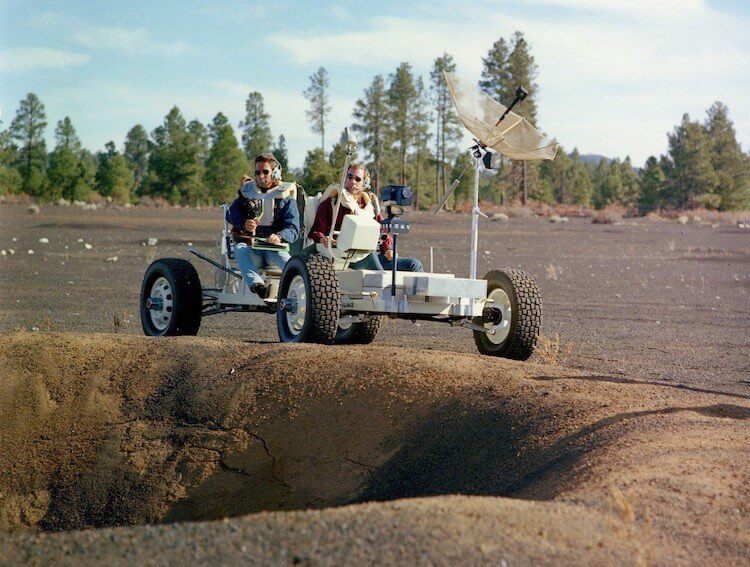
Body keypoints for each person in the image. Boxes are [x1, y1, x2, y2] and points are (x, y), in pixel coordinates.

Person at [226, 153, 300, 297]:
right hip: (252, 249)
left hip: (275, 250)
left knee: (290, 264)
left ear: (275, 173)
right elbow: (230, 214)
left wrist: (279, 236)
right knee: (240, 249)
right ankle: (259, 287)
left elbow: (294, 229)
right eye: (257, 172)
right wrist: (243, 223)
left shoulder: (287, 200)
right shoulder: (247, 194)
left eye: (265, 172)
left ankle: (299, 291)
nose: (261, 176)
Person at [308, 163, 387, 270]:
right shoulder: (329, 204)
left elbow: (381, 230)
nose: (352, 182)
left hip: (362, 254)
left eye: (357, 179)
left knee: (413, 264)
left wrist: (388, 248)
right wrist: (323, 239)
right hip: (336, 254)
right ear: (344, 178)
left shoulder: (369, 207)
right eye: (349, 177)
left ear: (364, 183)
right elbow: (316, 232)